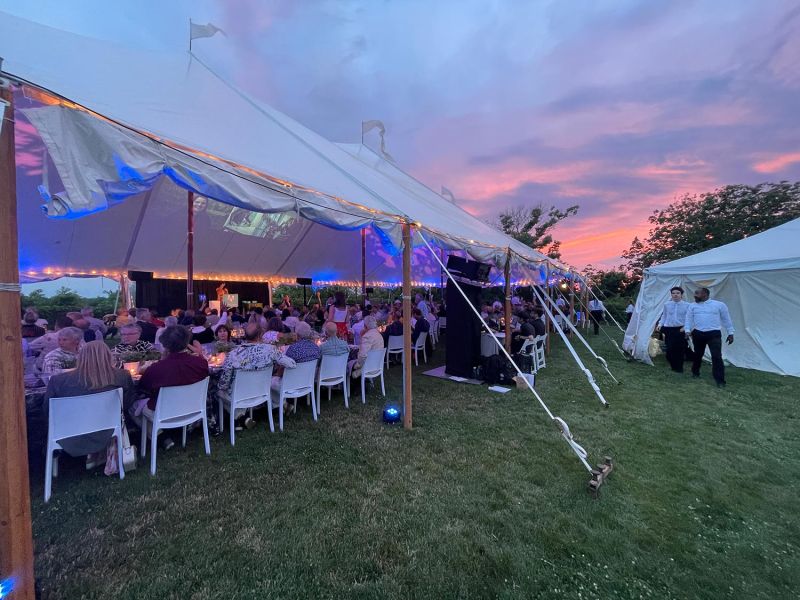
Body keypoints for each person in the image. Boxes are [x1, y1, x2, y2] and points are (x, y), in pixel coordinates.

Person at [45, 341, 134, 467]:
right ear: (108, 356)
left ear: (80, 357)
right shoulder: (122, 376)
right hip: (107, 428)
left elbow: (48, 411)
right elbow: (127, 403)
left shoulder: (58, 381)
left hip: (68, 433)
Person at [136, 326, 209, 449]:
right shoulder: (201, 363)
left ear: (165, 345)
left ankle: (160, 436)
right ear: (187, 342)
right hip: (194, 408)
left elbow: (143, 387)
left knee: (134, 406)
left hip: (163, 412)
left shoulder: (156, 369)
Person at [217, 323, 295, 394]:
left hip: (239, 395)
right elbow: (292, 364)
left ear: (245, 335)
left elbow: (223, 384)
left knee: (218, 391)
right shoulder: (270, 350)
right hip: (261, 391)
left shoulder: (233, 354)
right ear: (260, 335)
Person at [684, 287, 734, 387]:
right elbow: (688, 319)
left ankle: (720, 380)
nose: (695, 295)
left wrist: (730, 333)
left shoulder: (719, 305)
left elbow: (726, 319)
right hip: (698, 333)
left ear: (705, 294)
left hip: (714, 334)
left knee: (716, 356)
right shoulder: (692, 306)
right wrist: (687, 330)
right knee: (698, 354)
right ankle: (695, 372)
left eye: (697, 293)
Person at [658, 287, 690, 373]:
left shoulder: (687, 305)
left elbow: (689, 318)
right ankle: (673, 365)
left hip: (680, 329)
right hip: (668, 329)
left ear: (681, 295)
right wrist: (660, 324)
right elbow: (664, 316)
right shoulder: (667, 304)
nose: (675, 295)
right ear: (671, 294)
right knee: (670, 349)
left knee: (679, 349)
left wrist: (685, 328)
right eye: (673, 293)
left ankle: (679, 368)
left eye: (677, 293)